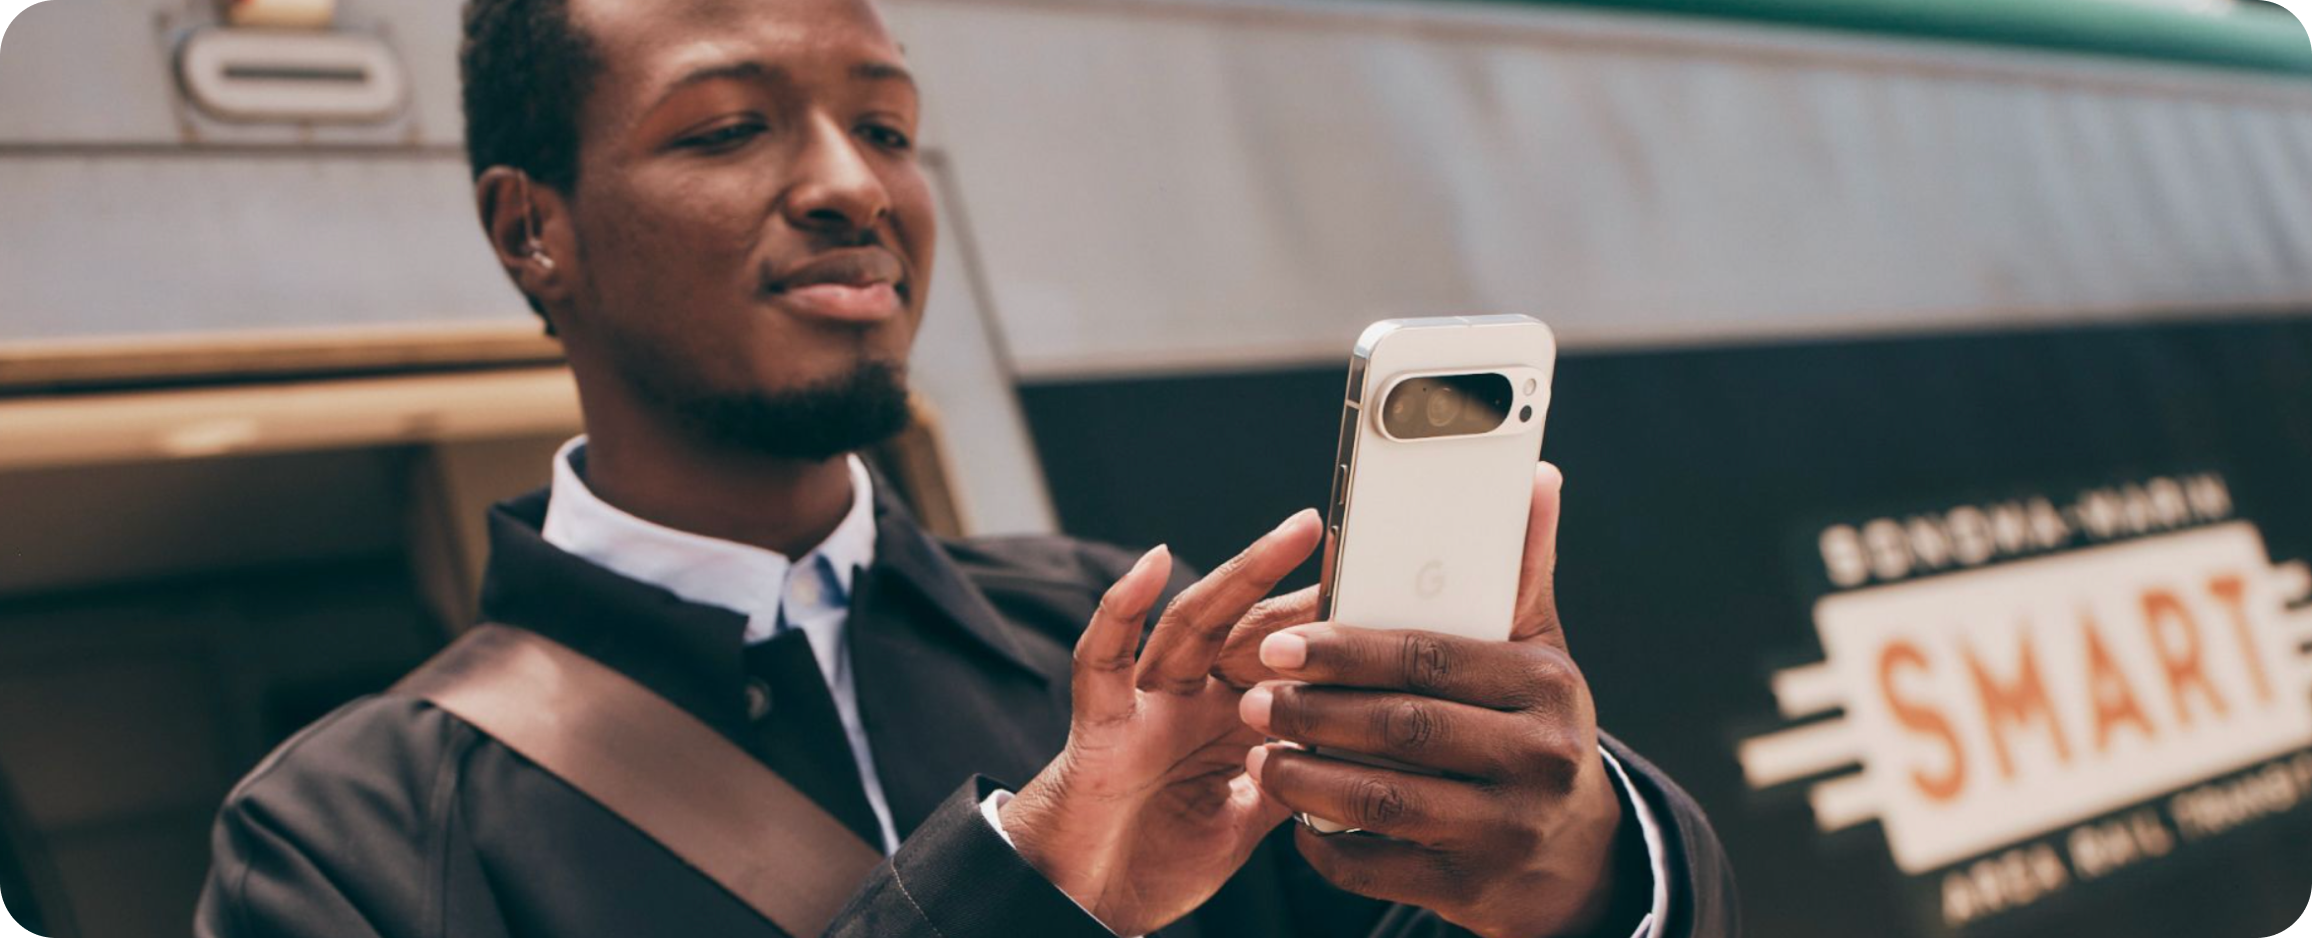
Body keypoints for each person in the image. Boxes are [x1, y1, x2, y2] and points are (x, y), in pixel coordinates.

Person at [194, 0, 1737, 934]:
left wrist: (1579, 860)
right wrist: (1018, 879)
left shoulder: (1121, 630)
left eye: (889, 123)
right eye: (731, 127)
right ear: (535, 228)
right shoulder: (340, 841)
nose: (853, 184)